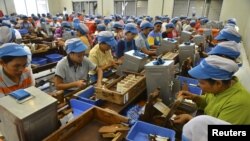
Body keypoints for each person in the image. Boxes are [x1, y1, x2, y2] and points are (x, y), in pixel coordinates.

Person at [173, 55, 250, 125]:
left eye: (202, 83)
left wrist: (190, 119)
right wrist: (194, 97)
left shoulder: (238, 104)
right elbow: (209, 101)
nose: (199, 85)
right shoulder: (220, 89)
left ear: (218, 83)